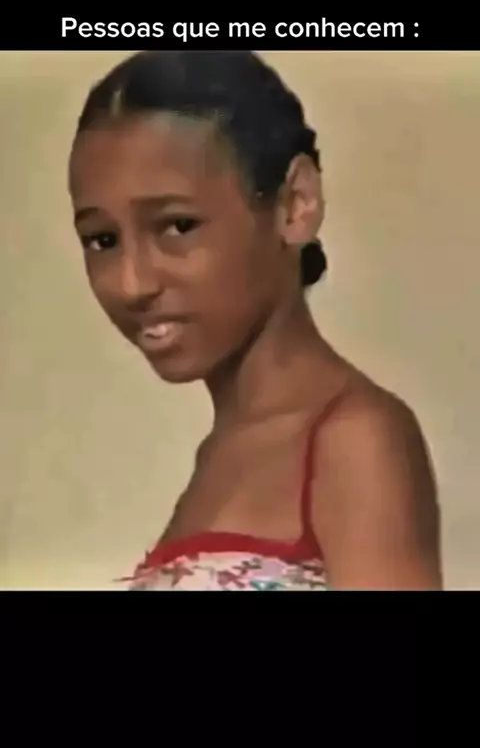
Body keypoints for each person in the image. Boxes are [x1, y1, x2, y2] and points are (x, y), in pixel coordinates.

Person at [68, 50, 442, 591]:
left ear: (295, 204)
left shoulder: (353, 439)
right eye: (103, 239)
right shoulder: (220, 452)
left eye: (177, 225)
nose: (132, 283)